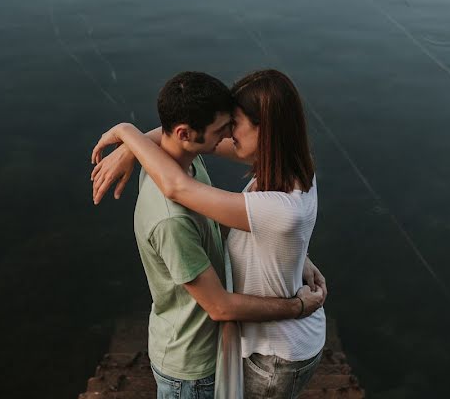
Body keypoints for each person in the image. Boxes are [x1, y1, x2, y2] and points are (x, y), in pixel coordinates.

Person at [92, 69, 326, 398]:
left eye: (235, 124)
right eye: (224, 126)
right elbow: (186, 136)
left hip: (276, 352)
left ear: (265, 131)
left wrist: (126, 132)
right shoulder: (293, 164)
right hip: (279, 340)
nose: (227, 135)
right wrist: (134, 147)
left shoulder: (280, 208)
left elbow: (178, 183)